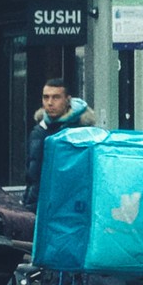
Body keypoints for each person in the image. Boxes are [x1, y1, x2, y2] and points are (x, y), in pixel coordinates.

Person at [23, 78, 94, 207]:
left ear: (67, 100)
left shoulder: (81, 132)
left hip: (70, 207)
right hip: (38, 205)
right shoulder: (39, 131)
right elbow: (32, 175)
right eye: (46, 97)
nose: (50, 103)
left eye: (56, 97)